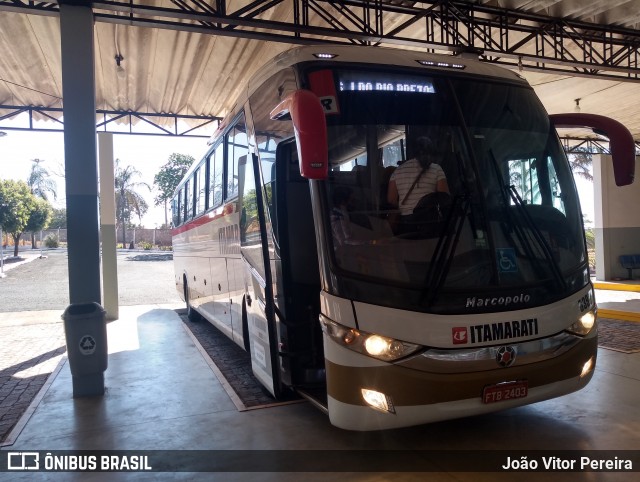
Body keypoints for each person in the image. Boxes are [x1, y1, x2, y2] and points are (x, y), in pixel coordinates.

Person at [386, 136, 449, 216]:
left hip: (406, 222)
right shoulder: (436, 169)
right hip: (428, 221)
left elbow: (391, 201)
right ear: (431, 152)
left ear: (413, 152)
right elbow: (444, 199)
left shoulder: (397, 171)